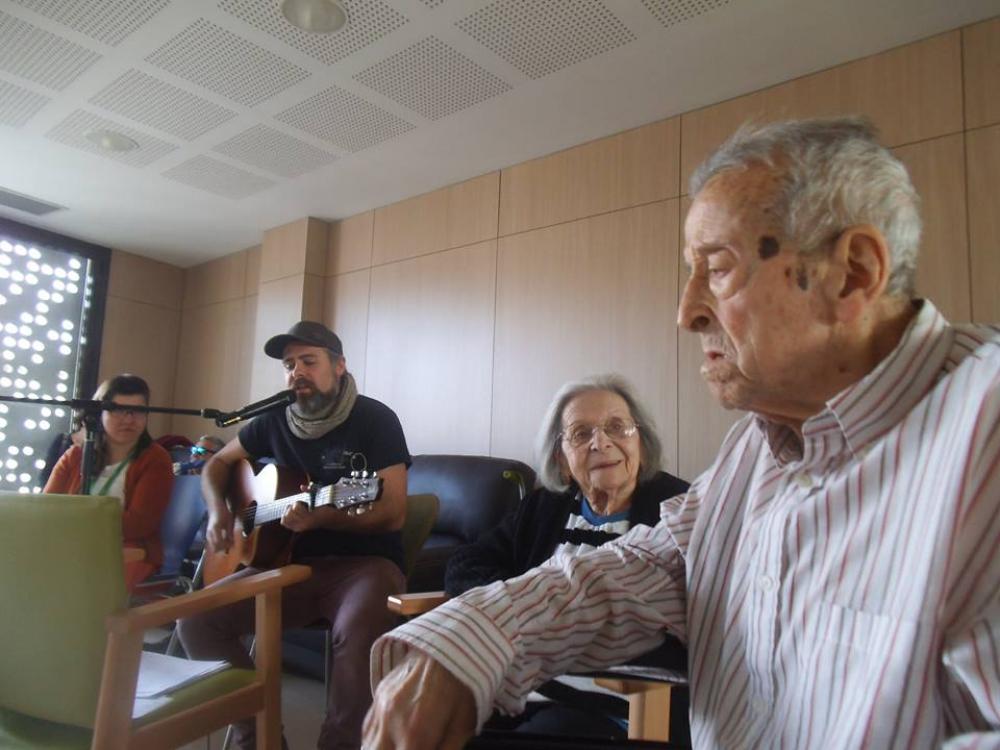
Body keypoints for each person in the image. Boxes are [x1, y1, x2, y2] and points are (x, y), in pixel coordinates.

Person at [362, 116, 1000, 750]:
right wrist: (469, 642)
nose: (687, 312)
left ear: (853, 273)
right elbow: (651, 566)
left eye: (717, 270)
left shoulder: (983, 433)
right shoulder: (758, 445)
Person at [177, 321, 410, 750]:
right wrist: (218, 513)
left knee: (359, 627)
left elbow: (393, 512)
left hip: (364, 567)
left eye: (308, 361)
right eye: (289, 365)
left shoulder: (375, 419)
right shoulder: (273, 420)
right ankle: (258, 737)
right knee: (195, 621)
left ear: (339, 366)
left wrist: (323, 520)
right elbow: (216, 464)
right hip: (284, 566)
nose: (297, 372)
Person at [444, 373, 690, 738]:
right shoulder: (545, 507)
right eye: (581, 433)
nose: (601, 443)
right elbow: (465, 565)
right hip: (517, 694)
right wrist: (521, 603)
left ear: (640, 441)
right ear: (561, 459)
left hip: (620, 707)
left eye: (617, 427)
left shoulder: (677, 510)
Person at [44, 374, 174, 591]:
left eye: (138, 411)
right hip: (69, 544)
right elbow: (46, 507)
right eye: (118, 410)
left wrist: (77, 525)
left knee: (76, 585)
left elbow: (139, 525)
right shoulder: (75, 455)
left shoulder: (156, 459)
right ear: (100, 413)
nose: (129, 419)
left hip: (128, 549)